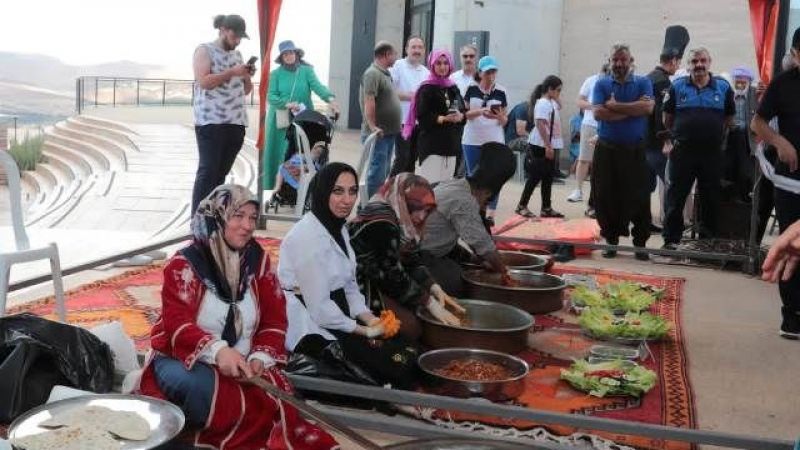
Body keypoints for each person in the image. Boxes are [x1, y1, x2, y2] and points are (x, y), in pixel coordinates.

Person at [138, 185, 337, 450]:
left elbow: (275, 320)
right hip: (186, 359)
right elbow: (178, 324)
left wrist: (258, 357)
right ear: (217, 217)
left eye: (252, 218)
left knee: (263, 390)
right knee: (201, 391)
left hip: (244, 361)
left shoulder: (257, 261)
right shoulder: (185, 264)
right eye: (237, 216)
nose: (246, 226)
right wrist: (219, 352)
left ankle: (235, 430)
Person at [278, 163, 418, 387]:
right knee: (384, 368)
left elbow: (349, 284)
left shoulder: (337, 228)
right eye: (338, 191)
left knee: (403, 345)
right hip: (312, 319)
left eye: (353, 191)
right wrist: (365, 331)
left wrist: (370, 318)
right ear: (323, 192)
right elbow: (320, 309)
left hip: (337, 309)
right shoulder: (306, 239)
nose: (347, 200)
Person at [349, 174, 465, 340]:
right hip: (354, 281)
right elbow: (391, 275)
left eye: (427, 211)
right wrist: (428, 302)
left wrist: (433, 286)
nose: (421, 217)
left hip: (378, 274)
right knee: (412, 328)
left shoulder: (400, 217)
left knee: (418, 310)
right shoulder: (383, 222)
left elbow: (410, 258)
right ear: (402, 201)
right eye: (415, 208)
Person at [751, 27, 800, 339]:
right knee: (792, 245)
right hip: (791, 181)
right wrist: (780, 142)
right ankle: (792, 314)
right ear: (795, 54)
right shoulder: (783, 84)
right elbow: (758, 122)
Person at [662, 47, 735, 249]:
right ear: (689, 65)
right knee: (676, 197)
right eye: (695, 61)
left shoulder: (723, 87)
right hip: (683, 151)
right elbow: (667, 119)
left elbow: (729, 118)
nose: (699, 65)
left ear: (709, 62)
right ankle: (671, 240)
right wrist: (671, 140)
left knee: (711, 197)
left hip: (711, 154)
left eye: (703, 60)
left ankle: (707, 243)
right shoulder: (677, 87)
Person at [420, 142, 515, 296]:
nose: (482, 208)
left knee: (467, 270)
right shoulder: (464, 201)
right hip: (418, 256)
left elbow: (449, 242)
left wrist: (474, 259)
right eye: (485, 203)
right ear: (487, 193)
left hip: (428, 250)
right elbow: (483, 246)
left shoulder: (457, 184)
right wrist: (504, 272)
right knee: (463, 283)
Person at [592, 43, 654, 260]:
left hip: (635, 151)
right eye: (615, 60)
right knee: (605, 196)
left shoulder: (643, 82)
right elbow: (599, 113)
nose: (619, 64)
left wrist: (615, 106)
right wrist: (632, 110)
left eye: (623, 59)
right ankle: (611, 240)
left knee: (639, 197)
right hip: (607, 150)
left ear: (631, 60)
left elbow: (647, 108)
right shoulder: (601, 84)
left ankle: (640, 243)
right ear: (610, 62)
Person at [191, 14, 254, 213]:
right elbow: (204, 82)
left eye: (240, 38)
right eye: (235, 37)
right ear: (224, 30)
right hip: (211, 121)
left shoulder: (238, 56)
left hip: (236, 122)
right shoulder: (204, 50)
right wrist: (231, 73)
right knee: (208, 172)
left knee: (221, 175)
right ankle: (197, 219)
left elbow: (245, 90)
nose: (237, 42)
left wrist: (246, 76)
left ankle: (212, 216)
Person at [264, 40, 338, 191]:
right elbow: (270, 96)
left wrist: (331, 100)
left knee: (303, 152)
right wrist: (287, 104)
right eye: (285, 54)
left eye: (291, 52)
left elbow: (318, 87)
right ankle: (278, 188)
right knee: (281, 152)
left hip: (303, 118)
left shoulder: (306, 71)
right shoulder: (275, 74)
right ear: (281, 57)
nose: (289, 56)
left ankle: (300, 189)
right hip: (280, 120)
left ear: (296, 54)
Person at [403, 49, 466, 184]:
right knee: (431, 189)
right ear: (432, 65)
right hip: (432, 147)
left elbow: (463, 112)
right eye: (438, 63)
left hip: (451, 146)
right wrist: (443, 119)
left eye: (445, 63)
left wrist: (460, 116)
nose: (442, 67)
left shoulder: (453, 87)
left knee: (445, 190)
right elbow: (423, 117)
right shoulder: (426, 89)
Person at [462, 56, 509, 225]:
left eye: (493, 71)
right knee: (473, 177)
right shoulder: (470, 89)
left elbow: (504, 121)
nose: (491, 75)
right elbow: (464, 114)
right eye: (487, 71)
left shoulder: (501, 91)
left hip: (494, 139)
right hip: (472, 139)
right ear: (480, 72)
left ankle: (490, 213)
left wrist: (498, 116)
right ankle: (475, 211)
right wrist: (482, 111)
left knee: (494, 176)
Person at [515, 76, 566, 219]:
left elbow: (560, 106)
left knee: (548, 177)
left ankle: (546, 207)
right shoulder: (543, 103)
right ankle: (521, 205)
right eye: (558, 90)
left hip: (548, 145)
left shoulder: (551, 102)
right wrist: (548, 146)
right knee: (535, 176)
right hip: (540, 145)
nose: (559, 94)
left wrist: (555, 96)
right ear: (549, 89)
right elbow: (540, 124)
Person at [361, 41, 403, 198]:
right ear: (386, 55)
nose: (396, 58)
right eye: (394, 54)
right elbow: (369, 101)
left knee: (383, 171)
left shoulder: (385, 73)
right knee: (376, 173)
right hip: (379, 134)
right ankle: (367, 208)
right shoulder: (372, 74)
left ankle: (374, 204)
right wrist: (372, 126)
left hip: (389, 133)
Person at [645, 50, 682, 230]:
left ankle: (644, 221)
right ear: (673, 61)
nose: (679, 67)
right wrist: (666, 140)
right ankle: (670, 225)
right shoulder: (662, 81)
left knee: (645, 186)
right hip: (656, 142)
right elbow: (661, 113)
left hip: (643, 140)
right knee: (670, 184)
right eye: (679, 62)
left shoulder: (648, 77)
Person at [568, 64, 609, 210]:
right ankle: (578, 190)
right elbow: (579, 101)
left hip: (608, 124)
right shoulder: (591, 80)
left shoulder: (615, 83)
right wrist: (594, 106)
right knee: (584, 158)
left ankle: (597, 197)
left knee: (602, 162)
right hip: (590, 123)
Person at [390, 36, 430, 177]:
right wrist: (410, 96)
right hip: (401, 122)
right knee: (402, 158)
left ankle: (404, 192)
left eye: (420, 47)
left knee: (412, 160)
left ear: (424, 50)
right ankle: (387, 191)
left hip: (418, 123)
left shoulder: (426, 72)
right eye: (413, 47)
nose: (417, 50)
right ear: (406, 49)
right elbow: (389, 92)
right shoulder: (398, 66)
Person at [722, 66, 758, 202]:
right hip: (730, 137)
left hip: (747, 138)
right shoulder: (728, 94)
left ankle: (745, 200)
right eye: (738, 82)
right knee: (728, 169)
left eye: (743, 82)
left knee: (746, 172)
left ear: (748, 82)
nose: (740, 85)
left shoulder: (754, 94)